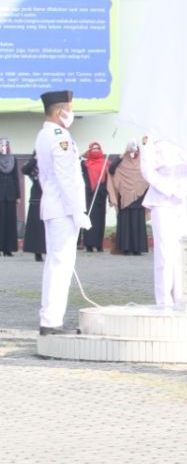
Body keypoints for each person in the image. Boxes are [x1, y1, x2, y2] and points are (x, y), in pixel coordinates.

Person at [35, 90, 87, 335]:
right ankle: (51, 321)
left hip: (55, 207)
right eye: (69, 108)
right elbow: (66, 178)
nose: (71, 113)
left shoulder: (45, 134)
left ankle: (50, 319)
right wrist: (77, 211)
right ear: (60, 112)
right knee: (60, 265)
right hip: (63, 210)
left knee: (56, 265)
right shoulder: (59, 136)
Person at [141, 136, 187, 308]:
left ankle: (185, 296)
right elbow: (147, 170)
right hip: (163, 197)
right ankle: (164, 300)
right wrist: (171, 190)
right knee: (165, 253)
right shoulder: (152, 137)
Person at [108, 141, 150, 256]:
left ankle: (137, 248)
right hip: (125, 198)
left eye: (136, 150)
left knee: (138, 223)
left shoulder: (142, 163)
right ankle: (126, 248)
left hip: (139, 198)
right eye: (131, 150)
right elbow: (111, 170)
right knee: (125, 223)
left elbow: (148, 174)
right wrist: (121, 156)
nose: (133, 153)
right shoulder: (122, 162)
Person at [79, 141, 108, 253]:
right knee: (89, 220)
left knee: (100, 221)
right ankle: (89, 245)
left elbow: (108, 180)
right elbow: (75, 160)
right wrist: (84, 153)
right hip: (89, 196)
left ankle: (99, 245)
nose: (95, 150)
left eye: (97, 148)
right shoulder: (85, 164)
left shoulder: (105, 163)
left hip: (100, 196)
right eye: (93, 149)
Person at [21, 156, 46, 262]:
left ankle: (49, 251)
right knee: (37, 227)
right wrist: (35, 159)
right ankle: (38, 252)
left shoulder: (49, 161)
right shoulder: (33, 164)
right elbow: (24, 170)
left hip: (49, 195)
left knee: (48, 225)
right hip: (36, 196)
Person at [0, 137, 18, 256]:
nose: (3, 147)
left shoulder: (13, 159)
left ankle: (8, 249)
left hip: (11, 194)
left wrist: (18, 195)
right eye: (1, 145)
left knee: (10, 222)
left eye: (5, 145)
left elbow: (16, 178)